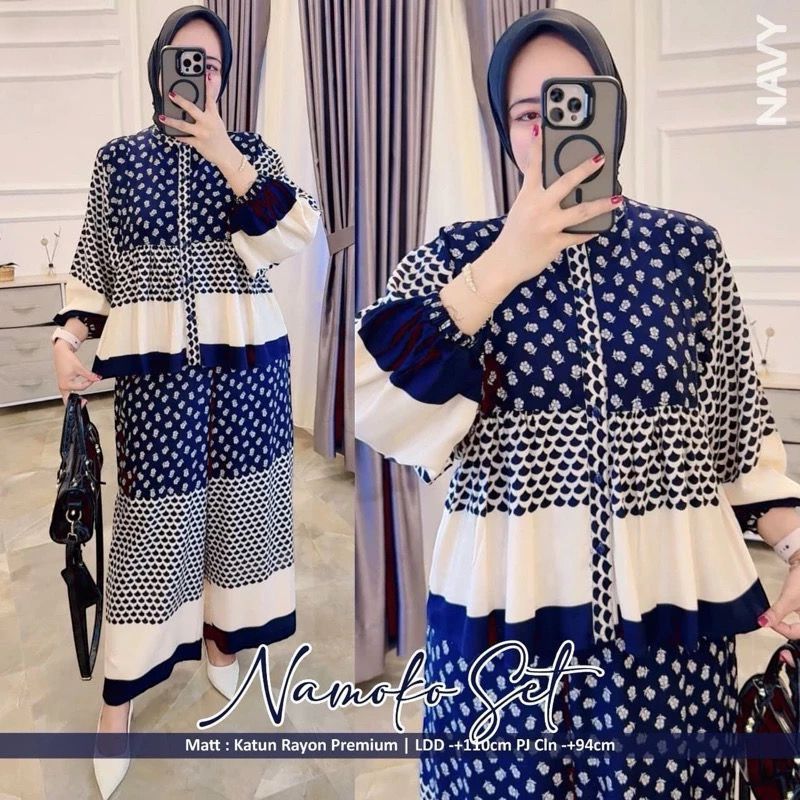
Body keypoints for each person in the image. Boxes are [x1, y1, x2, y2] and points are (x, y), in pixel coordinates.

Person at [354, 8, 800, 799]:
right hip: (503, 638)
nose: (549, 129)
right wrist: (499, 269)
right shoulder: (456, 257)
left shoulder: (687, 251)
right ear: (507, 133)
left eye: (575, 102)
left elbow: (737, 436)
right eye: (528, 114)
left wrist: (795, 545)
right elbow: (379, 410)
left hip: (667, 641)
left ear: (614, 112)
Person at [50, 5, 319, 797]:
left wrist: (227, 155)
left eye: (212, 63)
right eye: (183, 58)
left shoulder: (250, 154)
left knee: (240, 517)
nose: (197, 74)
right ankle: (119, 701)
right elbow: (96, 266)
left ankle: (222, 637)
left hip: (248, 373)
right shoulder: (118, 160)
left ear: (224, 78)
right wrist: (68, 337)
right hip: (155, 381)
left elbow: (294, 235)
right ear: (159, 68)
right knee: (150, 533)